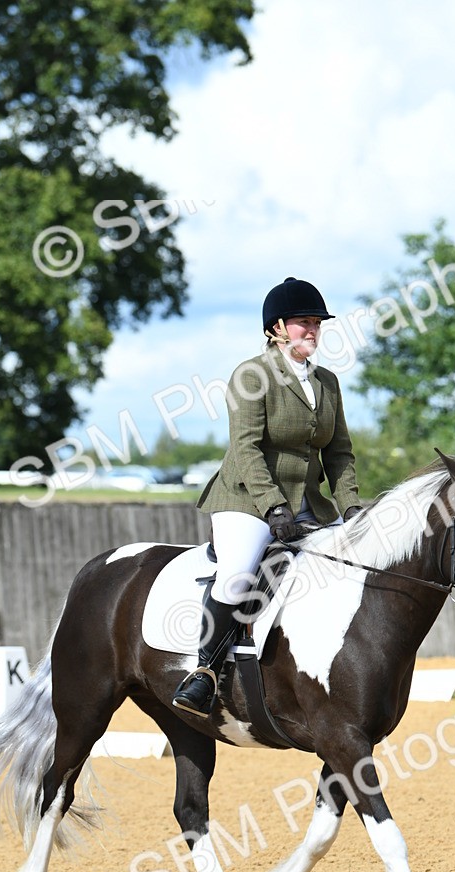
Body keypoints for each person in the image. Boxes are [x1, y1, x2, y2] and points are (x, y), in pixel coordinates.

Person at [173, 277, 363, 715]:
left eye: (317, 323)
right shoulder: (252, 375)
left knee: (353, 568)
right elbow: (247, 448)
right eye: (303, 322)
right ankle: (204, 672)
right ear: (276, 328)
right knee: (238, 576)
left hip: (310, 505)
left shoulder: (328, 383)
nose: (312, 330)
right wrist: (274, 506)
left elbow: (339, 452)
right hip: (247, 500)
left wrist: (352, 506)